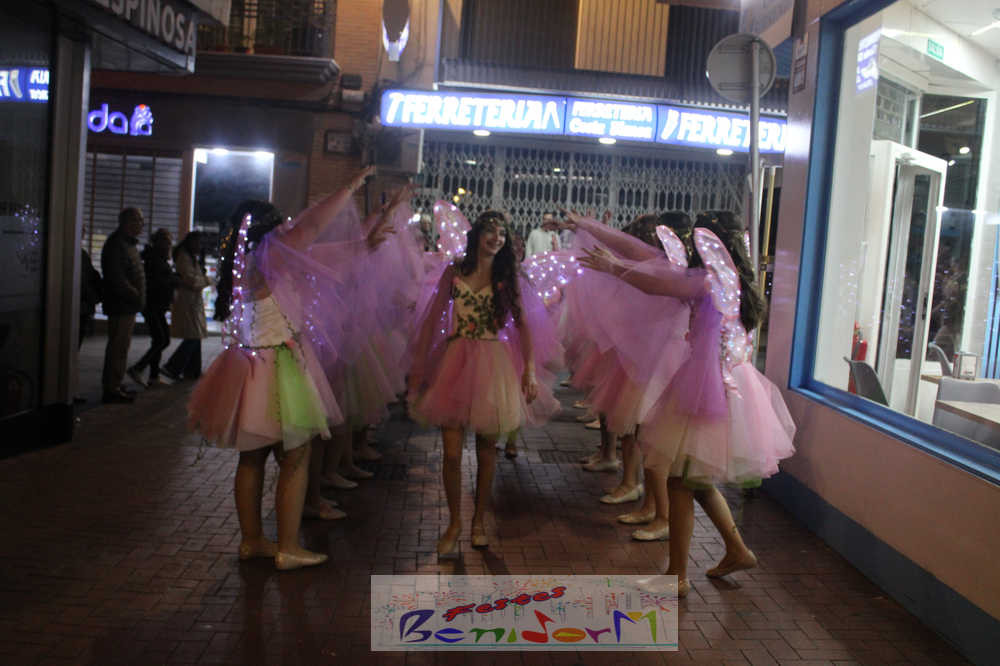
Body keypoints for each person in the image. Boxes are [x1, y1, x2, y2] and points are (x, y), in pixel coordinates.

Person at [574, 210, 796, 596]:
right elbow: (650, 260)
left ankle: (677, 575)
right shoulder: (731, 280)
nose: (692, 244)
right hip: (728, 386)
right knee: (695, 481)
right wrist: (594, 230)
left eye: (697, 237)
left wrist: (614, 268)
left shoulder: (710, 280)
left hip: (712, 390)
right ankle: (737, 550)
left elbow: (658, 284)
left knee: (680, 482)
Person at [187, 166, 395, 570]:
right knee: (296, 456)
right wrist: (349, 186)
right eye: (281, 224)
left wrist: (365, 242)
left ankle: (252, 541)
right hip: (278, 366)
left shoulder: (245, 259)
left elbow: (322, 253)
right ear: (271, 230)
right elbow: (313, 227)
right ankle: (287, 547)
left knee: (251, 459)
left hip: (246, 364)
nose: (288, 228)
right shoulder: (272, 254)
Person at [409, 210, 562, 559]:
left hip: (493, 364)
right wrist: (420, 366)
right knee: (451, 454)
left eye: (502, 234)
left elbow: (523, 326)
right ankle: (454, 523)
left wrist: (529, 371)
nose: (497, 238)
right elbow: (432, 320)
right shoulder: (455, 271)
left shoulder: (508, 277)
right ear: (477, 234)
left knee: (486, 451)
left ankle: (478, 521)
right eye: (491, 231)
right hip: (454, 361)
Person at [100, 207, 146, 403]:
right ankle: (111, 388)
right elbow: (117, 278)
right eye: (138, 220)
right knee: (117, 348)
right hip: (121, 304)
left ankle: (115, 383)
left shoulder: (127, 244)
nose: (141, 224)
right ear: (126, 222)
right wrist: (135, 294)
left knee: (122, 347)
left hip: (128, 304)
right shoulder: (116, 244)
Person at [128, 229, 177, 387]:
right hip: (152, 304)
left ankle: (153, 377)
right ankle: (138, 368)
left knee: (161, 339)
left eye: (169, 241)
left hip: (157, 305)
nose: (168, 245)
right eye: (166, 241)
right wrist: (173, 280)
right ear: (158, 242)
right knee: (161, 339)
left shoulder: (156, 258)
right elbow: (157, 282)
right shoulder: (153, 259)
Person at [163, 232, 211, 381]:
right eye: (198, 243)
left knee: (195, 335)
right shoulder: (184, 258)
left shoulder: (191, 257)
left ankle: (192, 371)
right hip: (187, 301)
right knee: (193, 336)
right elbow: (192, 281)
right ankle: (172, 367)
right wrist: (207, 280)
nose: (200, 246)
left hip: (191, 302)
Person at [80, 247, 103, 348]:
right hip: (82, 304)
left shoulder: (81, 254)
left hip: (83, 303)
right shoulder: (81, 255)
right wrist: (93, 298)